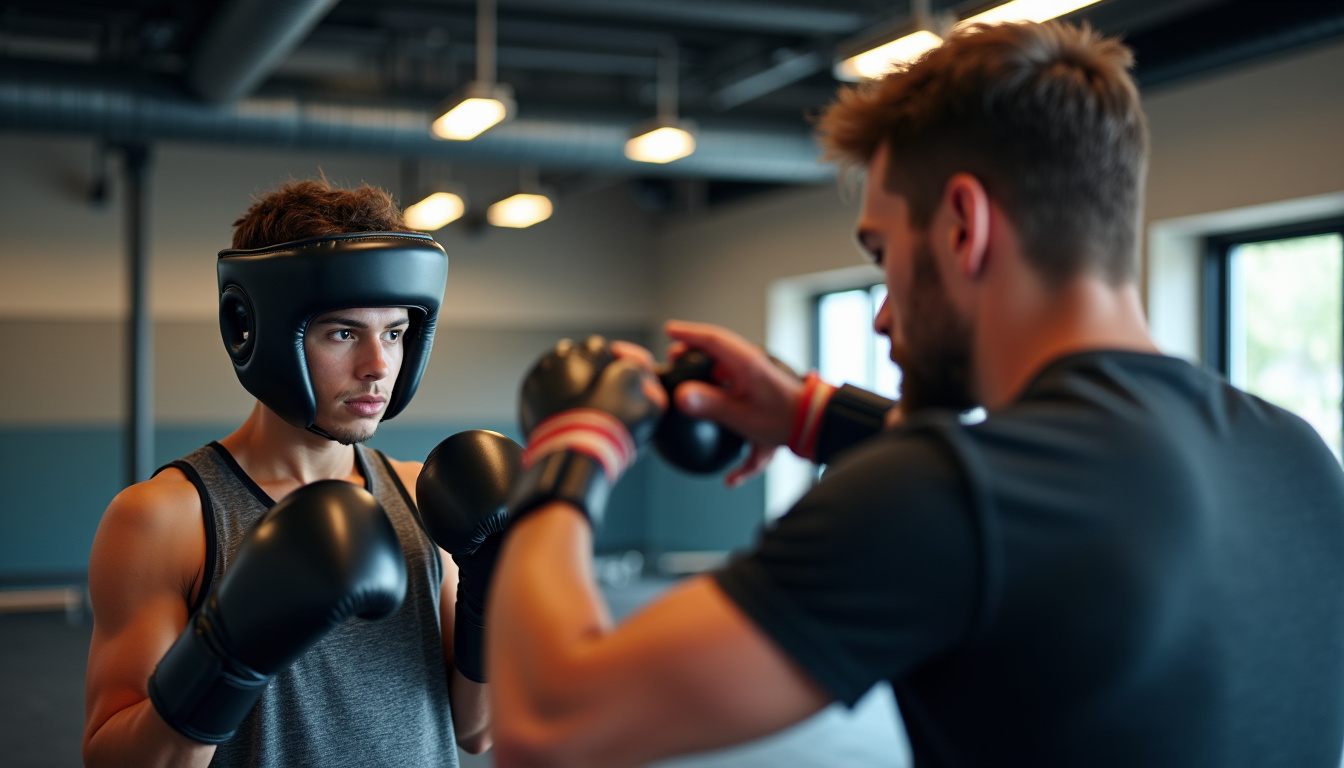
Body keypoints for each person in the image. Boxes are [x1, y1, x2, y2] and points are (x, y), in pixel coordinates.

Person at [484, 20, 1344, 768]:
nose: (886, 313)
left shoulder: (944, 496)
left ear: (964, 225)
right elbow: (1052, 512)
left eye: (882, 254)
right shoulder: (1294, 454)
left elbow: (551, 723)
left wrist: (575, 442)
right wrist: (807, 417)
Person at [82, 179, 516, 767]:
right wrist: (225, 656)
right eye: (344, 333)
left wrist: (492, 593)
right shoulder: (166, 519)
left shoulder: (421, 496)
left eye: (394, 333)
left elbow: (479, 729)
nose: (378, 367)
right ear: (251, 329)